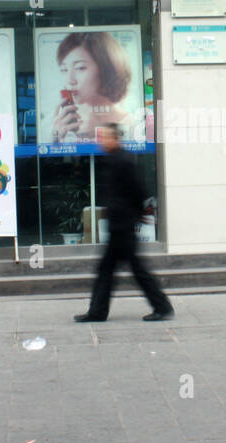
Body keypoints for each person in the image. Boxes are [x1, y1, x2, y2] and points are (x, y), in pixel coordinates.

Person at [75, 124, 174, 323]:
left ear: (114, 138)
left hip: (123, 226)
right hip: (119, 225)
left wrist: (136, 215)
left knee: (134, 270)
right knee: (109, 270)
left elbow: (138, 190)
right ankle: (98, 312)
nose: (100, 141)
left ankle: (161, 307)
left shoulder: (124, 160)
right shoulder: (113, 159)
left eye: (103, 137)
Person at [50, 32, 132, 143]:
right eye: (64, 69)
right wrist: (54, 139)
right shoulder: (66, 123)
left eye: (80, 68)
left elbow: (130, 157)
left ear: (106, 69)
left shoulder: (133, 123)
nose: (70, 80)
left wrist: (101, 131)